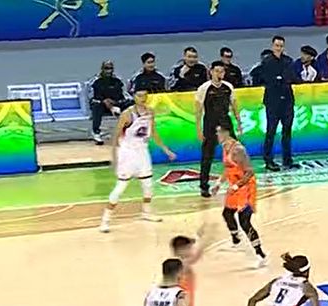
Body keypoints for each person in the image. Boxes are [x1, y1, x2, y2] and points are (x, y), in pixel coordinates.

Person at [99, 90, 176, 233]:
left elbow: (153, 133)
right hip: (127, 153)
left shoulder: (150, 112)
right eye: (139, 96)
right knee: (121, 187)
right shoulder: (127, 114)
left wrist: (166, 150)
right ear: (134, 97)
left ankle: (146, 212)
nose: (143, 98)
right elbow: (116, 136)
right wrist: (114, 157)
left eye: (145, 95)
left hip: (142, 152)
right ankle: (105, 220)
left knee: (148, 185)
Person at [212, 123, 268, 268]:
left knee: (244, 222)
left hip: (246, 187)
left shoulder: (238, 149)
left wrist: (237, 186)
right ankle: (236, 239)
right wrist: (218, 183)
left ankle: (260, 254)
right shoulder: (225, 147)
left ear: (227, 132)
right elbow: (228, 169)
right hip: (235, 186)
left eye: (219, 132)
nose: (217, 135)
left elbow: (249, 172)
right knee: (227, 213)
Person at [195, 61, 242, 198]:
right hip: (210, 123)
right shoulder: (204, 88)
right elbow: (198, 111)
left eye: (221, 71)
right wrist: (198, 129)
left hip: (225, 122)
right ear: (211, 72)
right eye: (216, 71)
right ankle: (204, 186)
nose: (219, 74)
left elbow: (234, 105)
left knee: (235, 152)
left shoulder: (228, 87)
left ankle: (237, 181)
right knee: (207, 155)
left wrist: (239, 122)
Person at [252, 36, 297, 171]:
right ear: (272, 46)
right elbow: (263, 78)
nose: (279, 48)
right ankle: (268, 160)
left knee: (287, 131)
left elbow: (290, 77)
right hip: (273, 101)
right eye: (277, 46)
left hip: (287, 101)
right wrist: (277, 79)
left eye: (281, 46)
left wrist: (281, 79)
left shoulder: (288, 61)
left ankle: (287, 160)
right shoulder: (267, 62)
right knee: (271, 131)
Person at [87, 60, 133, 145]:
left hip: (116, 103)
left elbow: (125, 95)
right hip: (101, 104)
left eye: (110, 68)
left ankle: (128, 131)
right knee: (96, 106)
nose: (108, 71)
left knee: (131, 105)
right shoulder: (95, 81)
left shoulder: (118, 80)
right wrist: (104, 101)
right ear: (102, 69)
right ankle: (96, 132)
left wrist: (116, 103)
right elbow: (91, 97)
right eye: (106, 68)